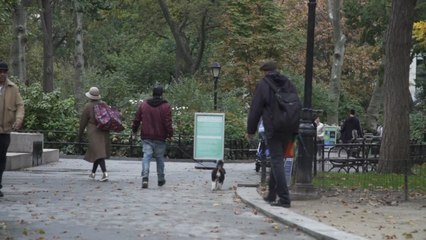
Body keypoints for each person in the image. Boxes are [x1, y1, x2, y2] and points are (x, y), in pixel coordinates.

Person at [246, 60, 298, 208]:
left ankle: (284, 198)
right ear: (277, 70)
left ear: (264, 72)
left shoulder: (263, 85)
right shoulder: (288, 82)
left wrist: (250, 130)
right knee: (278, 160)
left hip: (274, 128)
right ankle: (271, 195)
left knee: (276, 161)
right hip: (289, 127)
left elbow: (256, 108)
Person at [132, 85, 173, 189]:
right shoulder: (166, 106)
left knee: (146, 156)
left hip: (146, 135)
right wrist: (170, 133)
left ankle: (145, 177)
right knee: (160, 158)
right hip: (160, 136)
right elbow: (167, 122)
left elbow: (137, 119)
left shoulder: (144, 105)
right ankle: (160, 178)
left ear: (153, 93)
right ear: (161, 94)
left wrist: (134, 130)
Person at [0, 62, 25, 197]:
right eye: (0, 71)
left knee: (1, 158)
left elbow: (20, 105)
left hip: (4, 131)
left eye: (5, 71)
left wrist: (19, 120)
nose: (2, 74)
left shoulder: (12, 88)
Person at [78, 87, 111, 182]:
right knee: (98, 151)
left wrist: (79, 134)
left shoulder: (88, 106)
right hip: (104, 130)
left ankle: (105, 173)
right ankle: (93, 173)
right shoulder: (104, 104)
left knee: (99, 153)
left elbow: (83, 121)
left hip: (93, 131)